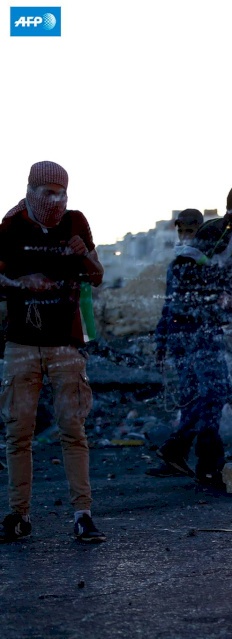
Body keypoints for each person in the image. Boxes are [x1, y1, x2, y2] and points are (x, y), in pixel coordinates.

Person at [0, 161, 106, 543]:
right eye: (46, 191)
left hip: (66, 344)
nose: (54, 199)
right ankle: (19, 515)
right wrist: (20, 280)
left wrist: (83, 255)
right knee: (18, 433)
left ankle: (83, 515)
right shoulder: (10, 226)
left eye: (60, 191)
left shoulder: (76, 221)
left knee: (73, 430)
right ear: (30, 188)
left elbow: (97, 274)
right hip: (21, 344)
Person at [148, 183, 232, 489]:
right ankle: (205, 462)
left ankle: (186, 454)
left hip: (190, 327)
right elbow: (202, 279)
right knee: (215, 391)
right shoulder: (226, 234)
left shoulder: (226, 239)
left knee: (203, 393)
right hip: (196, 327)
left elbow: (218, 283)